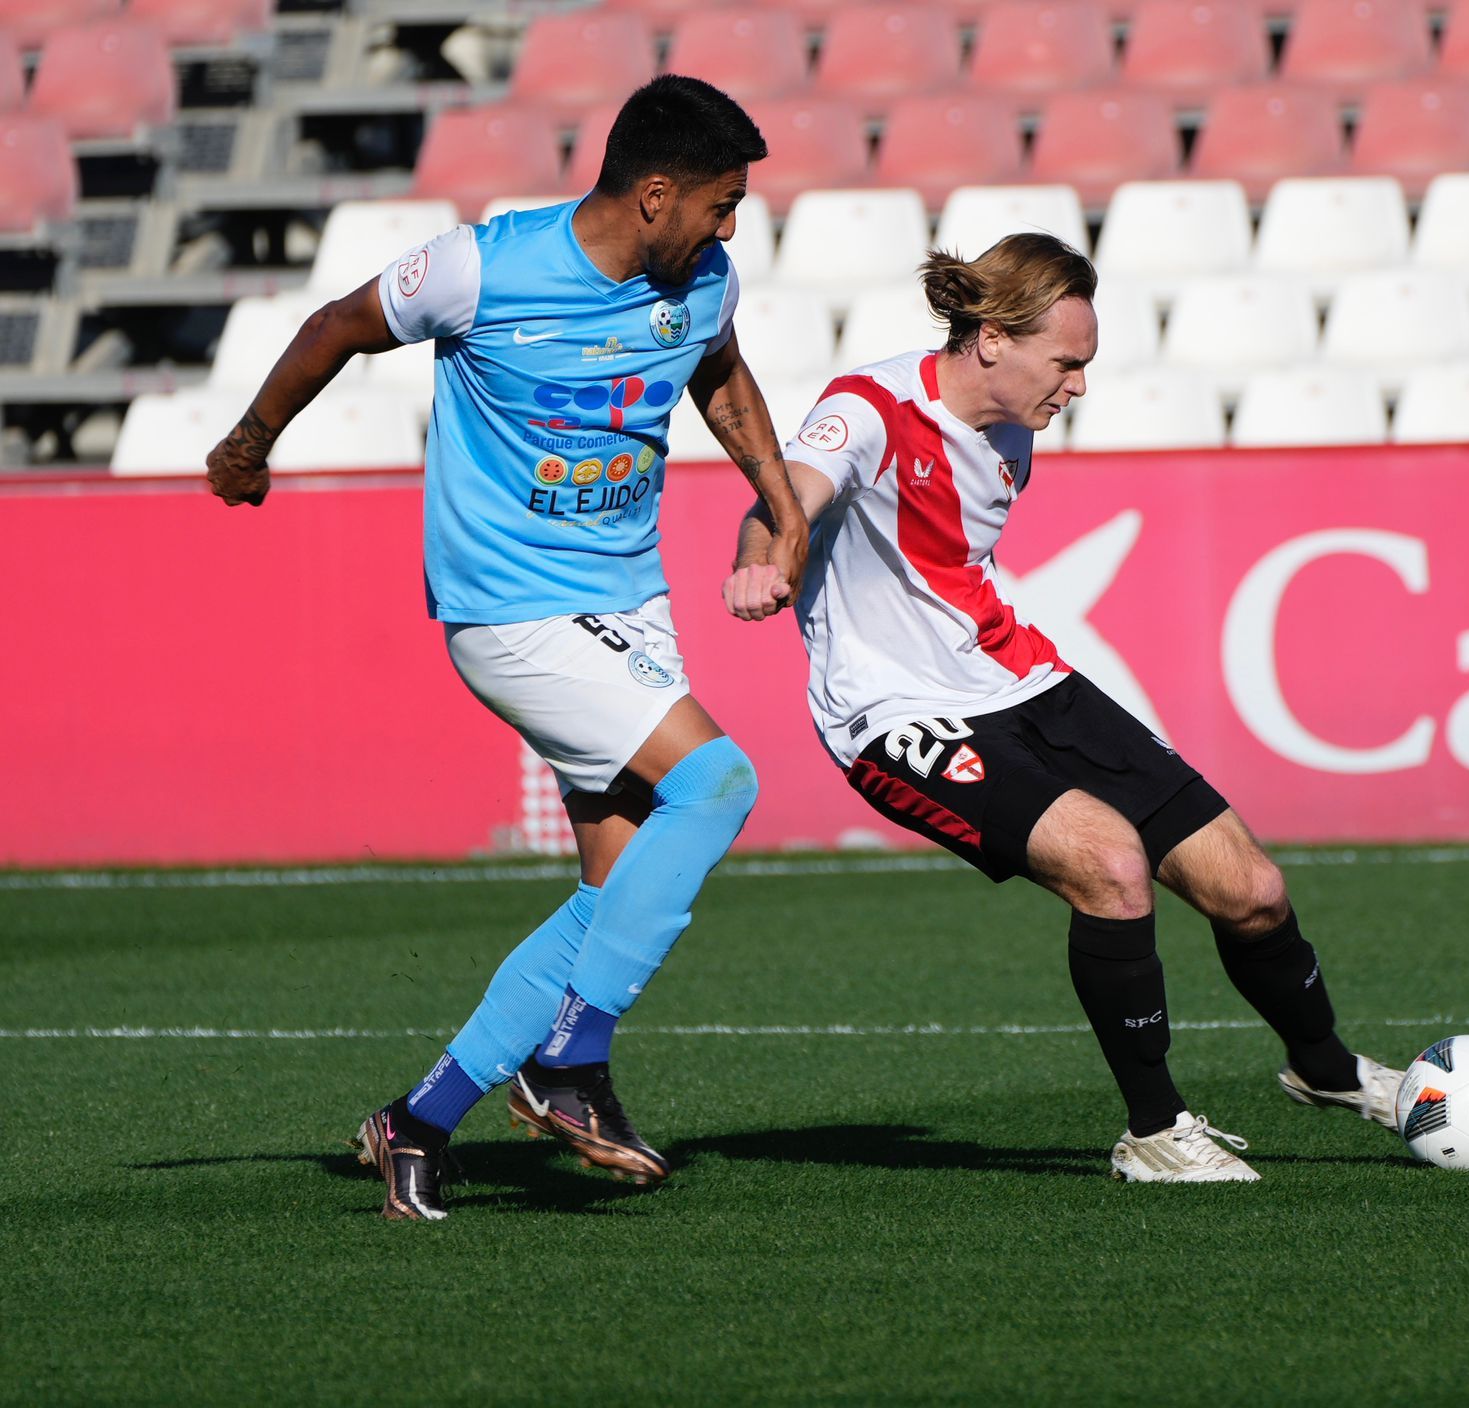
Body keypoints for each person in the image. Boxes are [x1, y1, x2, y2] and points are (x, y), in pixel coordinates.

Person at [205, 76, 809, 1220]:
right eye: (721, 204)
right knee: (719, 783)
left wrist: (775, 496)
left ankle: (418, 1122)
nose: (731, 228)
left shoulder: (700, 279)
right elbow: (335, 325)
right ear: (655, 193)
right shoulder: (481, 267)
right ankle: (571, 1062)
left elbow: (718, 372)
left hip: (629, 606)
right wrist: (248, 445)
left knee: (615, 889)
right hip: (513, 611)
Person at [723, 233, 1401, 1183]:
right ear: (992, 339)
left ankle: (1326, 1069)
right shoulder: (870, 407)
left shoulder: (1014, 435)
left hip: (1023, 681)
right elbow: (787, 494)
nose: (1076, 388)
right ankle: (1156, 1132)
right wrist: (763, 558)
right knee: (1111, 867)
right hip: (894, 716)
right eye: (1066, 363)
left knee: (1252, 890)